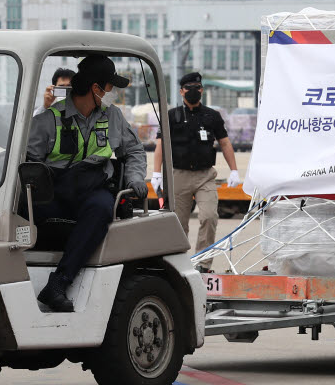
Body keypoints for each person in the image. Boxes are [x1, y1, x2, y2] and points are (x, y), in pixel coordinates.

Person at [27, 55, 147, 312]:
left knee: (102, 208)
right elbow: (28, 163)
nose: (112, 93)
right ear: (96, 89)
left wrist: (135, 179)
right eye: (110, 87)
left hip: (92, 189)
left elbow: (135, 150)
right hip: (55, 192)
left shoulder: (113, 116)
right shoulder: (49, 119)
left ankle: (58, 284)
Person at [151, 72, 239, 272]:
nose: (193, 91)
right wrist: (157, 174)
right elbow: (160, 145)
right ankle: (178, 263)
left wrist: (234, 170)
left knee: (209, 216)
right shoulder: (171, 116)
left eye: (197, 88)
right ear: (181, 91)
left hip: (204, 176)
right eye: (188, 88)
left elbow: (224, 143)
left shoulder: (212, 116)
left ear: (202, 90)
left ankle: (203, 263)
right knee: (178, 224)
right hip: (178, 176)